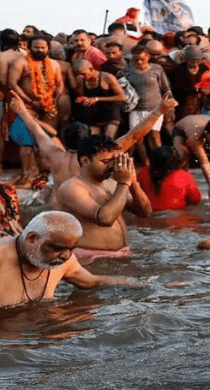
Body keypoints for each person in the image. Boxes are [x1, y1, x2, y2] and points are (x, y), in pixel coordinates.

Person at [9, 91, 178, 204]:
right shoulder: (98, 157)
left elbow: (38, 132)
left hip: (61, 209)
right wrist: (158, 111)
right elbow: (133, 136)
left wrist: (22, 111)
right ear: (89, 136)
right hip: (90, 208)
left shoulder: (54, 155)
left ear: (64, 139)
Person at [0, 211, 139, 308]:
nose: (66, 256)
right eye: (57, 248)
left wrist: (139, 286)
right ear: (32, 238)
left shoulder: (65, 260)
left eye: (72, 249)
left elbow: (92, 281)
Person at [55, 135, 152, 263]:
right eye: (106, 162)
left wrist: (133, 182)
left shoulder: (112, 183)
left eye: (114, 161)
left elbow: (145, 212)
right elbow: (105, 219)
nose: (112, 166)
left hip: (120, 255)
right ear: (85, 161)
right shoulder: (71, 188)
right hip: (90, 260)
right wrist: (124, 184)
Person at [7, 35, 64, 187]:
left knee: (48, 138)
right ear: (30, 47)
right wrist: (29, 101)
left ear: (48, 48)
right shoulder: (21, 63)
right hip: (28, 107)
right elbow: (13, 84)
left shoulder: (54, 64)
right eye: (36, 47)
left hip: (48, 107)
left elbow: (59, 84)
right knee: (25, 140)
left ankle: (43, 175)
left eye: (42, 47)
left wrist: (54, 101)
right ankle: (27, 175)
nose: (39, 50)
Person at [122, 45, 171, 164]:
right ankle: (146, 163)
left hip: (155, 107)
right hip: (136, 109)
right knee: (137, 138)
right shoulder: (126, 70)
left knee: (154, 136)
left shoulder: (156, 69)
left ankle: (161, 162)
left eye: (142, 59)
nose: (139, 62)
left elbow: (165, 88)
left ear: (148, 57)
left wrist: (170, 107)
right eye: (135, 60)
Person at [172, 114, 210, 201]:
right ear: (206, 134)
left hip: (202, 124)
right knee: (182, 155)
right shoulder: (195, 134)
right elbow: (204, 162)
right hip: (181, 129)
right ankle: (181, 183)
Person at [137, 146, 201, 211]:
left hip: (148, 214)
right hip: (176, 216)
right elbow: (195, 199)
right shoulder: (183, 176)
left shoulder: (142, 173)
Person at [73, 59, 125, 138]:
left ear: (91, 69)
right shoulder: (80, 80)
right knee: (93, 139)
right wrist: (82, 99)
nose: (81, 76)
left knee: (108, 138)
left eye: (83, 74)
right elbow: (83, 95)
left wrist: (97, 99)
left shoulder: (107, 77)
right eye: (79, 74)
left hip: (111, 110)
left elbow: (121, 97)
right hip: (95, 112)